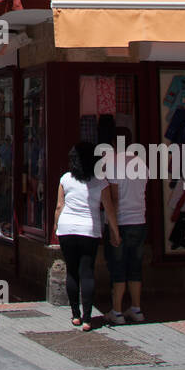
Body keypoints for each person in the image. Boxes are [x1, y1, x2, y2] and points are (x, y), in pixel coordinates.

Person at [54, 140, 121, 331]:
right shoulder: (100, 181)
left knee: (72, 272)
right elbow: (109, 209)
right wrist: (115, 233)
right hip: (88, 230)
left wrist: (56, 225)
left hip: (67, 229)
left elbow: (59, 206)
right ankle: (87, 318)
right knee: (87, 272)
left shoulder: (65, 179)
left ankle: (75, 314)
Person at [104, 128, 148, 324]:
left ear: (114, 142)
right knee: (135, 267)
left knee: (118, 266)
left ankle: (117, 310)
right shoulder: (141, 163)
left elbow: (113, 199)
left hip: (121, 221)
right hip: (139, 220)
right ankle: (137, 309)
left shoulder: (113, 163)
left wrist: (113, 228)